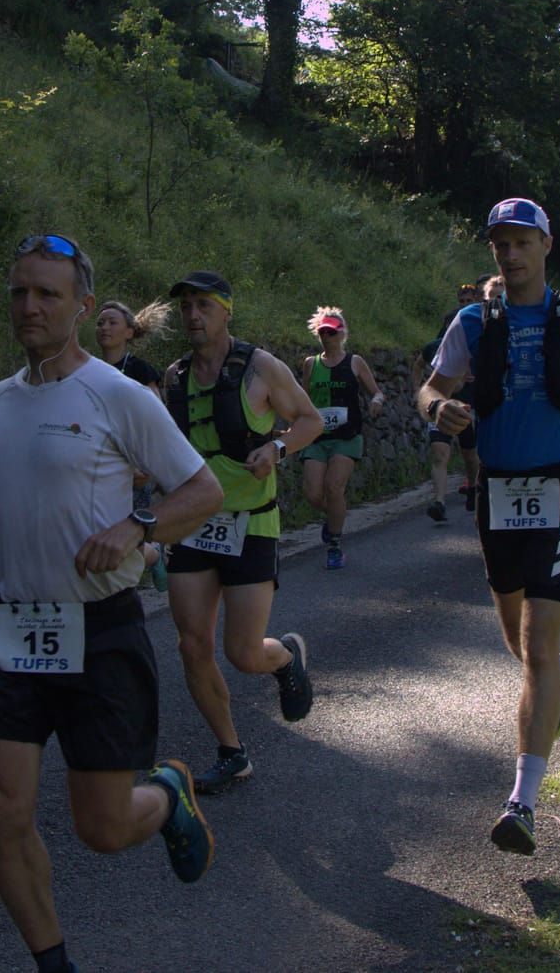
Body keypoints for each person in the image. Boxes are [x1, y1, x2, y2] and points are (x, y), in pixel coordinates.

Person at [0, 235, 225, 973]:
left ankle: (167, 792)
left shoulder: (117, 395)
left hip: (101, 629)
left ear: (84, 308)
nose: (29, 306)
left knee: (103, 826)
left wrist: (138, 525)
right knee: (2, 808)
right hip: (14, 628)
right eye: (20, 292)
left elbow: (202, 491)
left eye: (47, 294)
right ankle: (52, 962)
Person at [416, 198, 560, 856]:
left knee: (538, 645)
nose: (509, 255)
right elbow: (428, 388)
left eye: (520, 242)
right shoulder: (473, 321)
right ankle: (555, 678)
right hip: (498, 493)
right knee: (522, 644)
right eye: (499, 244)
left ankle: (523, 802)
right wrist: (441, 409)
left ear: (544, 244)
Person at [161, 271, 324, 793]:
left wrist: (276, 449)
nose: (193, 315)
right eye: (186, 306)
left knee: (244, 652)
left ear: (227, 311)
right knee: (192, 645)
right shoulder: (175, 376)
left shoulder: (261, 368)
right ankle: (232, 751)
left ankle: (285, 658)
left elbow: (310, 420)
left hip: (251, 523)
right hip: (193, 523)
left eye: (204, 305)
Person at [297, 306, 385, 570]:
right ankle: (335, 517)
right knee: (313, 494)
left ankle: (334, 545)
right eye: (323, 333)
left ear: (342, 334)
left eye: (332, 333)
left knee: (334, 488)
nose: (327, 338)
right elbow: (303, 399)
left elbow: (376, 392)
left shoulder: (355, 362)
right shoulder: (311, 364)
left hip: (347, 436)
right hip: (317, 436)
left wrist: (378, 401)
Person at [94, 299, 170, 586]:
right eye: (100, 322)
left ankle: (152, 556)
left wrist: (146, 464)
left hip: (133, 468)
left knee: (129, 538)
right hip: (99, 466)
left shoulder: (139, 370)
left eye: (112, 322)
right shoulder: (89, 370)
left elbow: (157, 419)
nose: (104, 327)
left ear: (129, 332)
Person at [419, 283, 485, 521]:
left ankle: (474, 490)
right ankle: (439, 501)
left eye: (469, 301)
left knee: (470, 455)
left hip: (467, 406)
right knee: (439, 454)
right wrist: (421, 392)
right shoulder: (441, 341)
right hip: (443, 407)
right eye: (462, 301)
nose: (464, 306)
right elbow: (421, 364)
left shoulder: (482, 330)